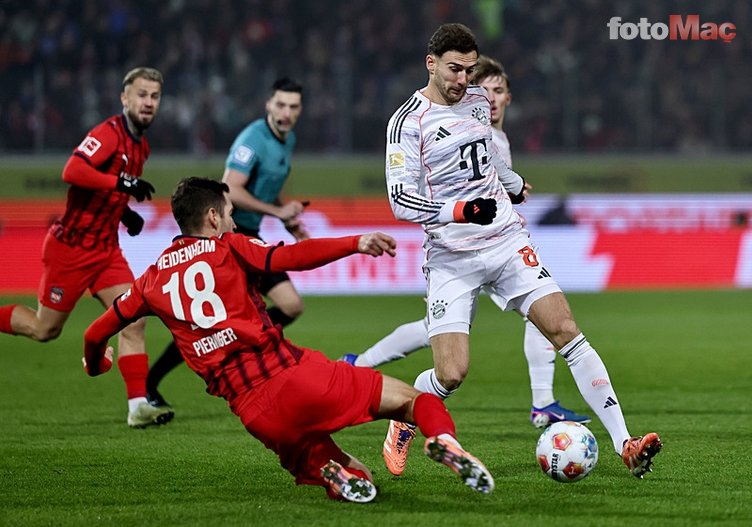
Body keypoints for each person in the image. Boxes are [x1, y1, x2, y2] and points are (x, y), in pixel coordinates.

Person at [82, 177, 495, 502]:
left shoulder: (150, 281)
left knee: (361, 477)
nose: (232, 222)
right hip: (293, 377)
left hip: (254, 413)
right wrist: (354, 242)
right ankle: (444, 441)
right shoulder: (230, 247)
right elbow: (290, 257)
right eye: (229, 214)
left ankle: (331, 472)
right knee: (414, 402)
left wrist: (98, 362)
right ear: (212, 218)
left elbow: (95, 332)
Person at [380, 23, 661, 479]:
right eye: (454, 69)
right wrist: (460, 210)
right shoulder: (407, 122)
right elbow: (400, 200)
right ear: (431, 64)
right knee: (451, 373)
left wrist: (512, 184)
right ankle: (403, 418)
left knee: (565, 330)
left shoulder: (476, 101)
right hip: (452, 256)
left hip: (507, 242)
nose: (463, 80)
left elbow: (487, 158)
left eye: (469, 70)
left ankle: (624, 443)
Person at [342, 55, 590, 430]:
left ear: (508, 97)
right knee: (448, 340)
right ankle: (541, 403)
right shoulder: (468, 131)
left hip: (493, 247)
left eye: (498, 90)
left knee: (535, 315)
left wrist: (512, 191)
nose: (490, 97)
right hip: (459, 251)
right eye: (485, 89)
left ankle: (543, 402)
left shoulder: (493, 136)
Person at [0, 67, 174, 428]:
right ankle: (108, 375)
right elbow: (73, 171)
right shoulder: (108, 134)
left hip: (107, 250)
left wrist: (125, 214)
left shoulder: (141, 146)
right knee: (44, 330)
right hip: (71, 248)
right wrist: (121, 183)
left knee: (134, 318)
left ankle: (138, 406)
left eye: (155, 96)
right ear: (124, 98)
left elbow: (104, 190)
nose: (148, 102)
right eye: (141, 94)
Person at [146, 78, 309, 409]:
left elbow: (263, 188)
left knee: (285, 307)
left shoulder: (286, 139)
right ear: (268, 104)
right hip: (229, 236)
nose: (286, 112)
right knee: (217, 322)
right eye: (280, 104)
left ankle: (245, 348)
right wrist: (277, 211)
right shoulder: (252, 139)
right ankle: (151, 382)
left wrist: (286, 219)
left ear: (300, 109)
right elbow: (229, 188)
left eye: (293, 106)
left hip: (249, 235)